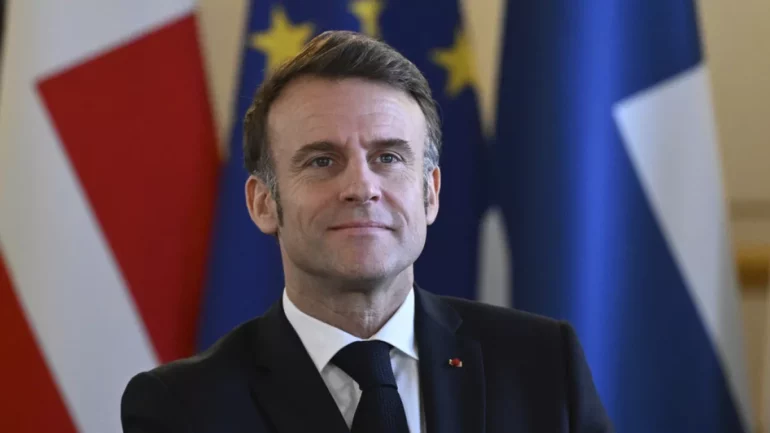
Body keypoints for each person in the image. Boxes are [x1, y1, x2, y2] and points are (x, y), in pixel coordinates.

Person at [121, 30, 613, 433]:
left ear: (430, 193)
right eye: (322, 160)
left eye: (389, 157)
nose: (361, 187)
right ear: (263, 203)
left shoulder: (543, 365)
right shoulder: (181, 409)